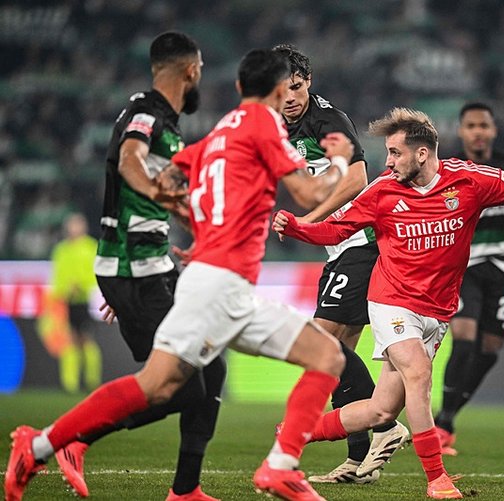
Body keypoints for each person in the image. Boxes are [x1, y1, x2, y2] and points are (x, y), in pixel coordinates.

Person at [5, 48, 351, 501]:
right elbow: (307, 192)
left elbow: (169, 178)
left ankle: (38, 446)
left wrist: (202, 236)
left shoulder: (218, 133)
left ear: (238, 87)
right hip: (221, 287)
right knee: (324, 357)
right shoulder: (263, 123)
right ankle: (280, 466)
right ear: (278, 89)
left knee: (158, 385)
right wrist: (339, 160)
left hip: (210, 282)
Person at [272, 107, 504, 499]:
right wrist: (297, 227)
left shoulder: (470, 181)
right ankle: (437, 479)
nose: (388, 162)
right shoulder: (382, 192)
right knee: (419, 374)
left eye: (395, 153)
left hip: (436, 311)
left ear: (421, 154)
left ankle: (295, 433)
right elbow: (336, 229)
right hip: (391, 301)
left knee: (381, 409)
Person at [46, 31, 227, 501]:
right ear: (191, 71)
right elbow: (130, 161)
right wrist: (123, 280)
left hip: (147, 268)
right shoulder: (147, 114)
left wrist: (191, 227)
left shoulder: (162, 120)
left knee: (211, 369)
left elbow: (158, 193)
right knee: (184, 387)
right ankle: (71, 438)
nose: (200, 78)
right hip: (135, 270)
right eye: (200, 71)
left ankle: (185, 490)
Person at [273, 44, 407, 484]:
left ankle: (386, 426)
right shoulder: (276, 125)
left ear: (308, 81)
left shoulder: (327, 120)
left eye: (296, 86)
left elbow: (357, 179)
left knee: (320, 345)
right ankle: (358, 458)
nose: (290, 97)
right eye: (281, 90)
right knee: (335, 357)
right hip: (340, 248)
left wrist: (308, 221)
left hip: (360, 243)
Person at [434, 102, 504, 455]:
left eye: (483, 125)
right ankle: (442, 426)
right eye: (471, 126)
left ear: (493, 130)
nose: (478, 132)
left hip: (501, 267)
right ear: (461, 131)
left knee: (490, 350)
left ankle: (447, 417)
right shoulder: (447, 168)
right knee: (464, 341)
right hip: (462, 266)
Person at [49, 213, 101, 394]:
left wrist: (81, 286)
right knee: (69, 341)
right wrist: (63, 290)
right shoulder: (61, 250)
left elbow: (94, 273)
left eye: (77, 225)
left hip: (85, 301)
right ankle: (69, 383)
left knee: (86, 339)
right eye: (71, 225)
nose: (73, 229)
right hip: (66, 301)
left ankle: (92, 380)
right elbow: (57, 275)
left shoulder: (90, 247)